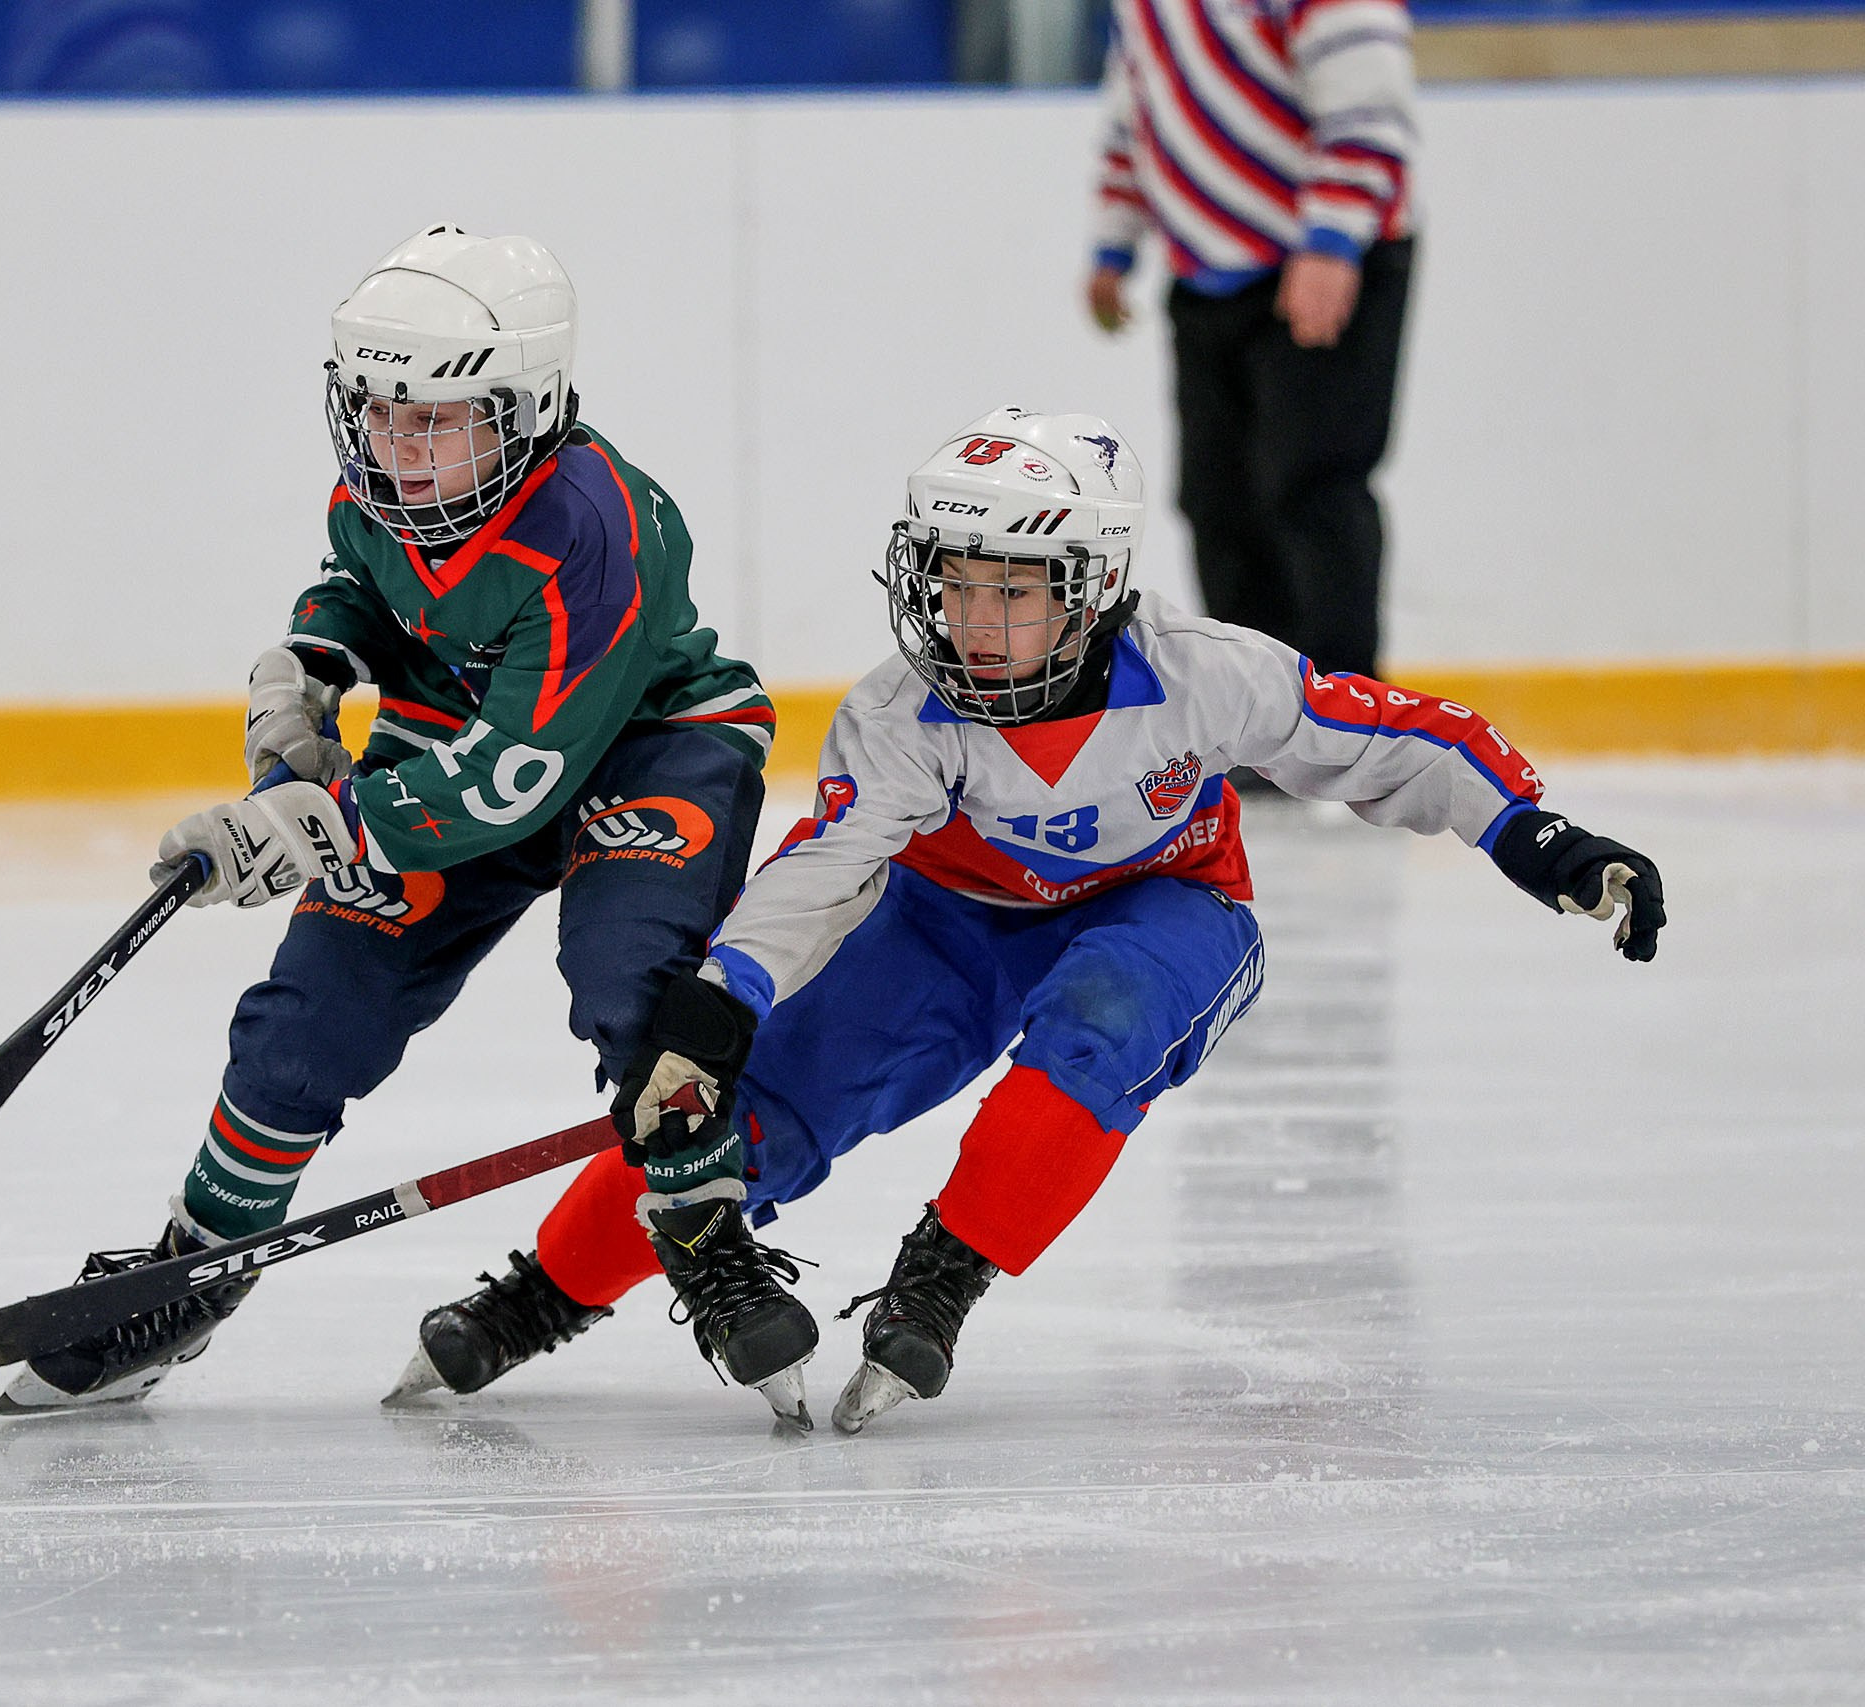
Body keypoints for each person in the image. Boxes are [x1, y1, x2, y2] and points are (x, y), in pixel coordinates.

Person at [394, 407, 1664, 1433]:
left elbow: (1391, 739)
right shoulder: (899, 714)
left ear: (1094, 587)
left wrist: (1538, 837)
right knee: (760, 1109)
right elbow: (826, 860)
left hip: (1168, 909)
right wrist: (724, 997)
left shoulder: (1202, 671)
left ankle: (941, 1283)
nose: (977, 626)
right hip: (951, 922)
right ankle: (535, 1299)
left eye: (1017, 593)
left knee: (1098, 1026)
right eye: (955, 588)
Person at [0, 225, 806, 1418]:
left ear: (524, 408)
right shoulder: (381, 488)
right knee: (307, 1019)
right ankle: (197, 1268)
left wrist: (312, 825)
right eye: (376, 409)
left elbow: (510, 781)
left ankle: (700, 1224)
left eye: (435, 419)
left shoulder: (595, 527)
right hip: (458, 741)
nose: (396, 445)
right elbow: (365, 588)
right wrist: (305, 670)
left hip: (643, 746)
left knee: (633, 989)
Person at [1085, 0, 1418, 681]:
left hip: (1323, 259)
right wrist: (1115, 239)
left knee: (1309, 485)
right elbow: (1140, 94)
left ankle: (1342, 706)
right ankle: (1255, 715)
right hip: (1207, 272)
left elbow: (1369, 102)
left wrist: (1331, 240)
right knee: (1217, 499)